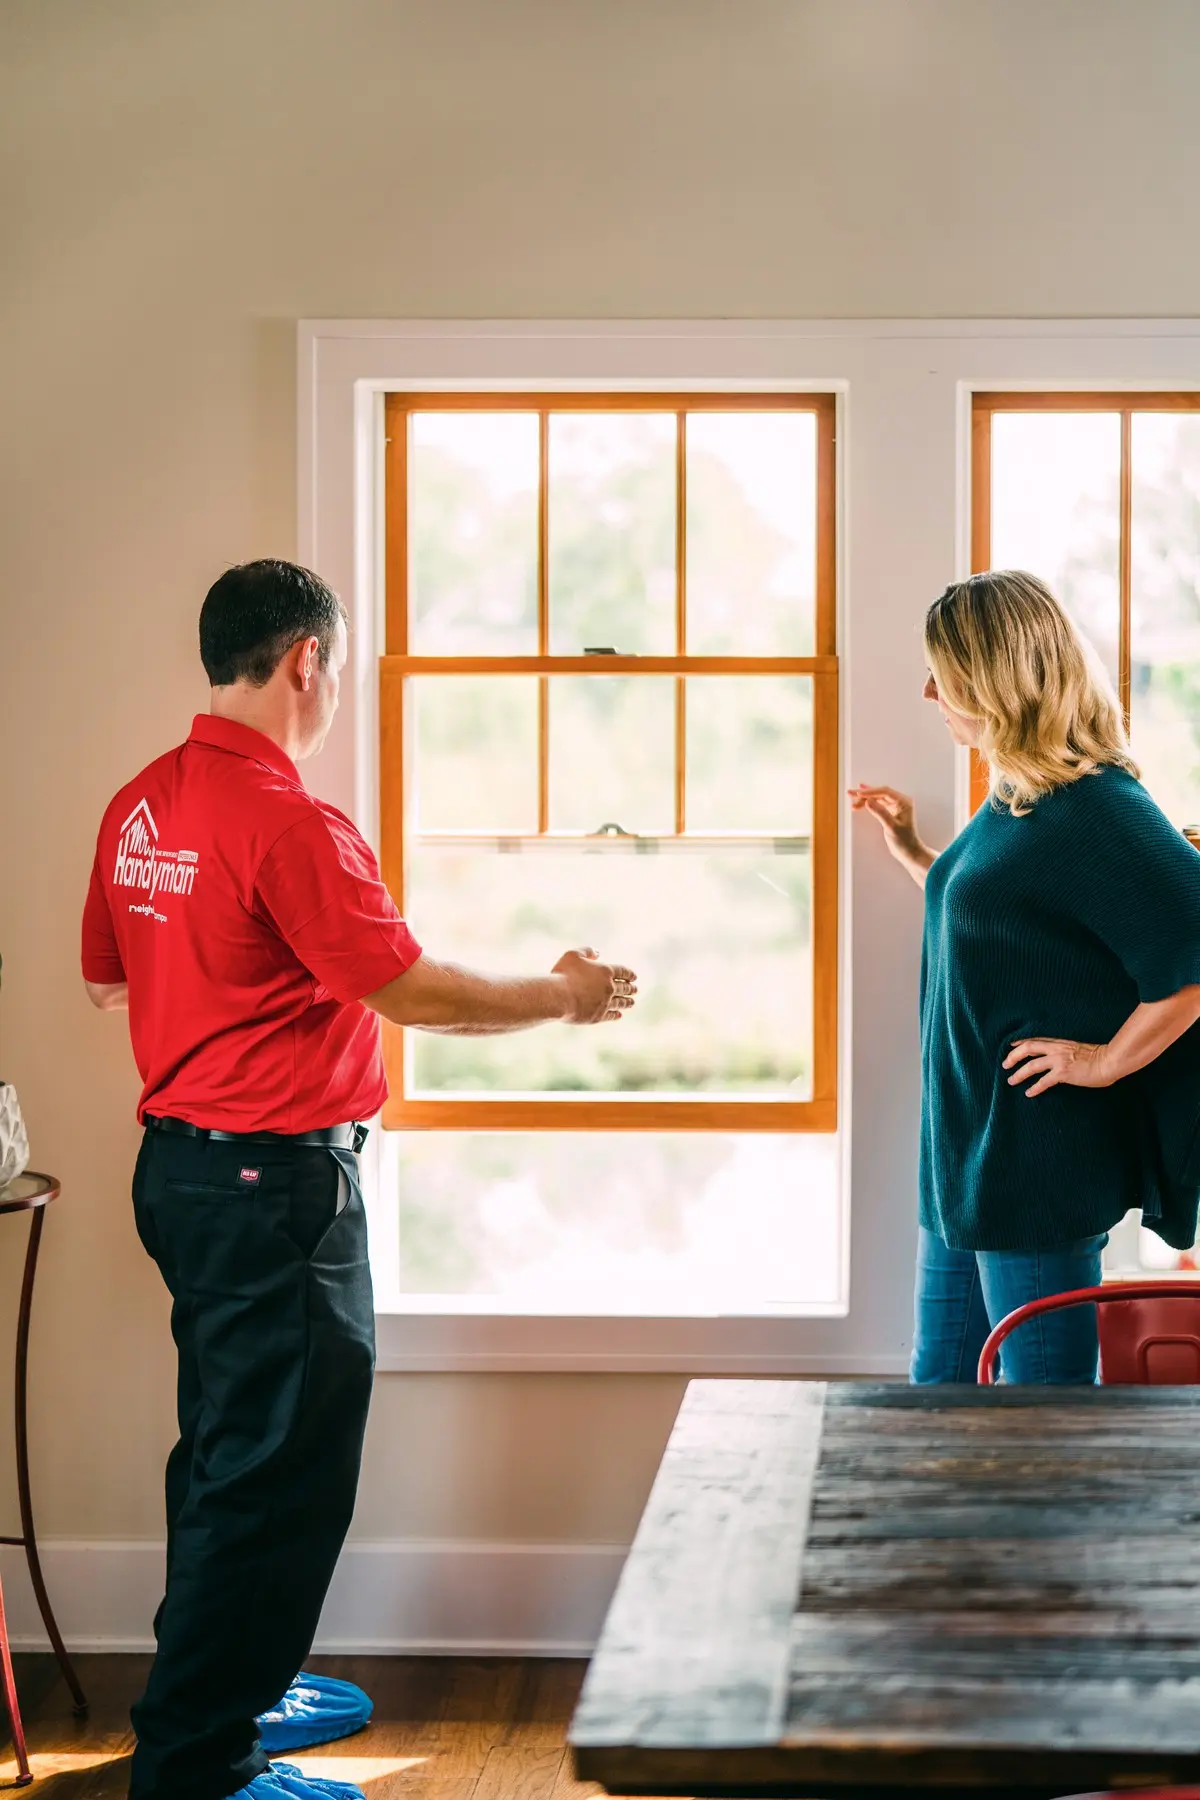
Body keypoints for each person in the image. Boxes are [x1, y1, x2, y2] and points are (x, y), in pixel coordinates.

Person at [81, 559, 638, 1800]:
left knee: (229, 1451)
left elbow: (110, 979)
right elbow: (414, 989)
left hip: (180, 1174)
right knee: (278, 1483)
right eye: (332, 668)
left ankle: (225, 1690)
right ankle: (201, 1763)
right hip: (272, 1194)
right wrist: (567, 995)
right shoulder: (289, 823)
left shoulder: (142, 805)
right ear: (308, 662)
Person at [850, 569, 1200, 1386]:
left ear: (991, 682)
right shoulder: (1019, 792)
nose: (929, 690)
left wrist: (1104, 1060)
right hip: (965, 1160)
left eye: (946, 673)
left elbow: (1193, 954)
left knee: (1044, 1414)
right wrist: (918, 857)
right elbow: (1009, 920)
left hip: (1034, 1167)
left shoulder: (1096, 804)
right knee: (940, 1389)